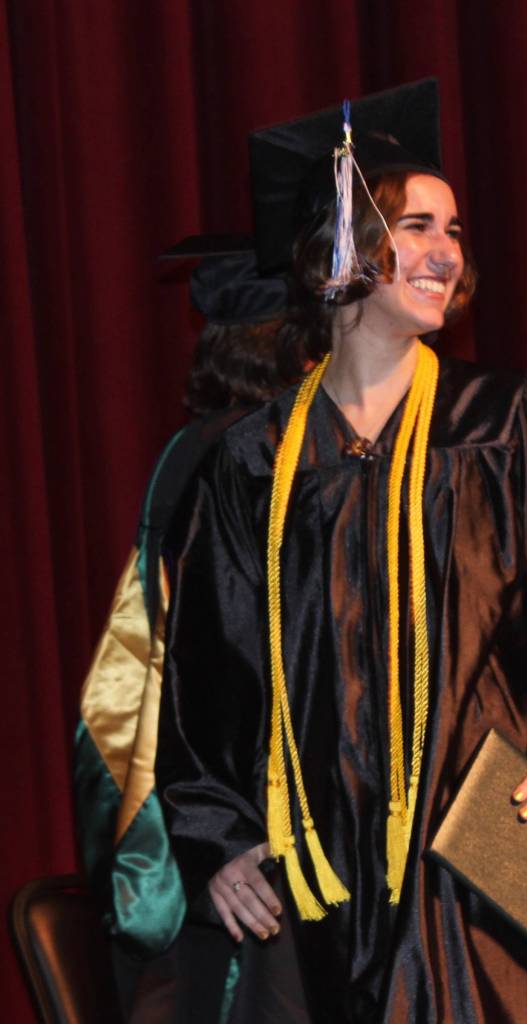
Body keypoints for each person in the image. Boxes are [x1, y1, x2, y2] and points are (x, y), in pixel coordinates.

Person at [156, 82, 527, 1024]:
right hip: (322, 868)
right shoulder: (254, 458)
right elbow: (210, 671)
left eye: (453, 231)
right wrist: (219, 838)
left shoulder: (504, 419)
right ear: (339, 245)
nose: (447, 252)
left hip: (482, 855)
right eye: (416, 226)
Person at [74, 247, 292, 1021]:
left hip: (196, 811)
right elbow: (226, 660)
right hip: (238, 821)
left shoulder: (193, 445)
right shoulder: (250, 457)